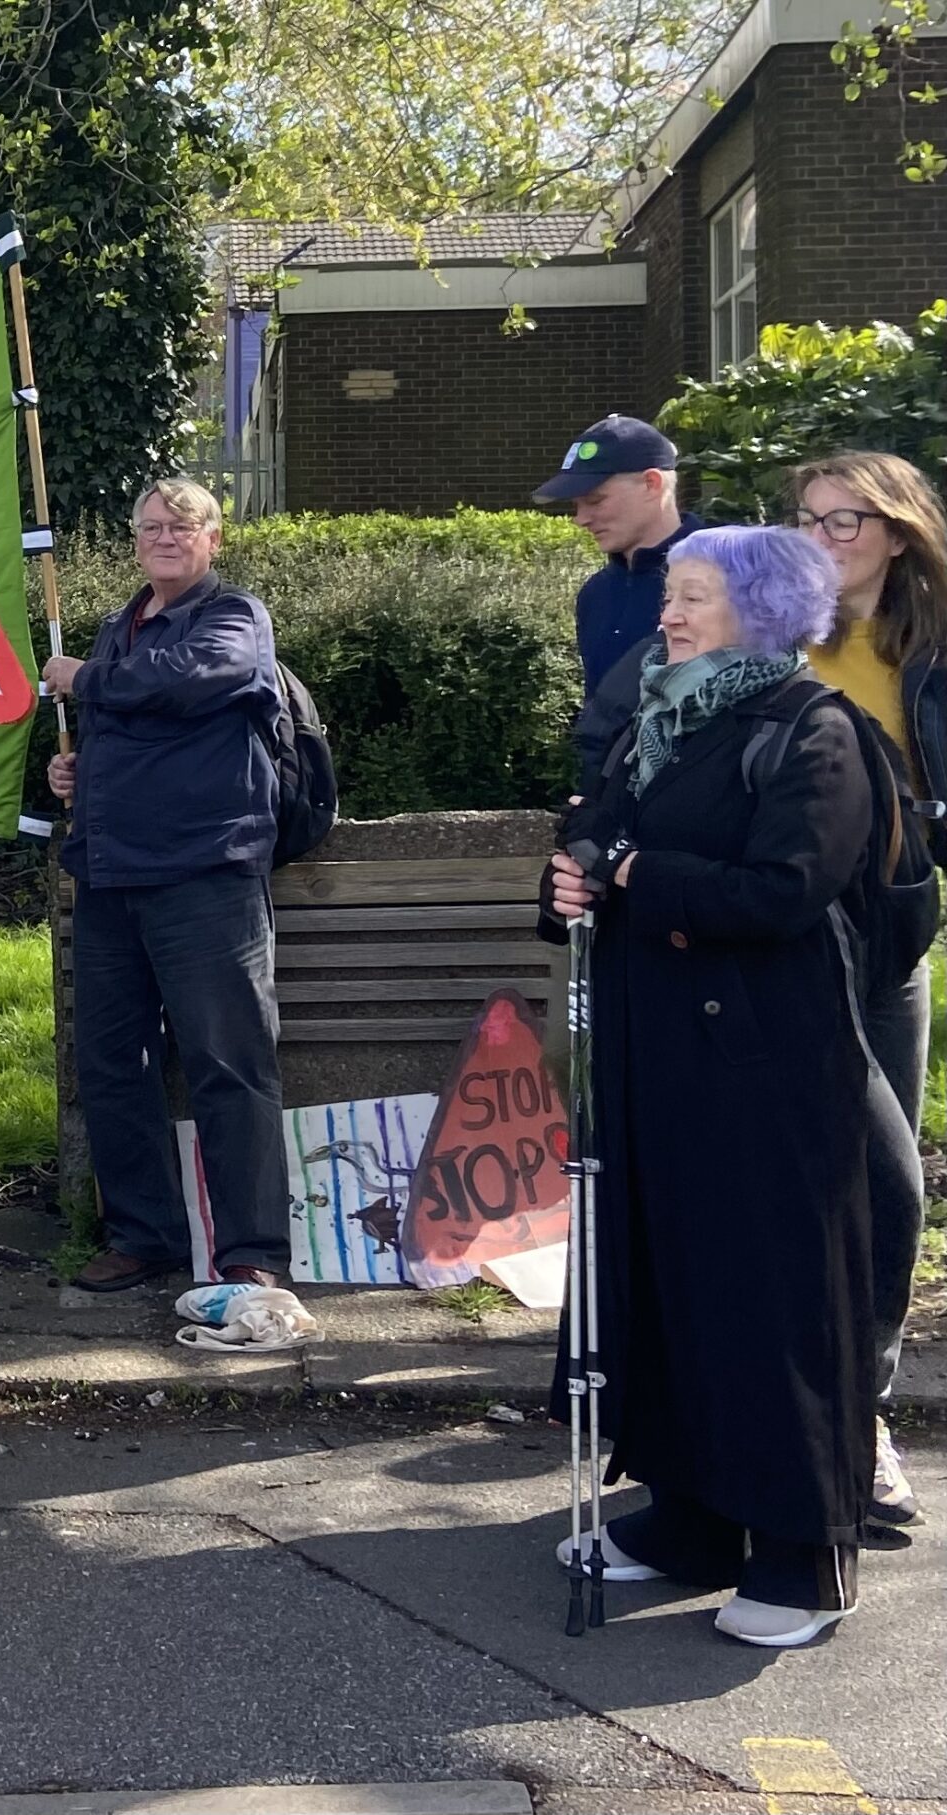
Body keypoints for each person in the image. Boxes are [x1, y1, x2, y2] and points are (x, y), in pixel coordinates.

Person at [544, 523, 876, 1648]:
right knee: (662, 1273)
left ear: (766, 610)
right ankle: (690, 1517)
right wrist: (573, 882)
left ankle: (798, 1551)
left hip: (761, 1064)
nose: (668, 616)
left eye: (691, 598)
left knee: (761, 1294)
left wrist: (638, 873)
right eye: (671, 594)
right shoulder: (659, 717)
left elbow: (783, 890)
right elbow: (597, 839)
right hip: (654, 1053)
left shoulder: (815, 730)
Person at [42, 478, 288, 1293]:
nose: (164, 537)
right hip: (111, 878)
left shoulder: (234, 619)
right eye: (150, 525)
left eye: (182, 526)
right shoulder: (123, 624)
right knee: (112, 1064)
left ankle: (252, 1252)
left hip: (204, 875)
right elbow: (129, 718)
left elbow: (180, 681)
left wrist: (85, 679)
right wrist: (78, 771)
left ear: (214, 539)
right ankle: (143, 1235)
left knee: (228, 1063)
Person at [792, 449, 947, 1532]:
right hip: (784, 935)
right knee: (797, 1181)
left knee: (886, 1186)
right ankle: (788, 1420)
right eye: (807, 519)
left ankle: (865, 1419)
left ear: (897, 532)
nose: (821, 539)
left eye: (845, 522)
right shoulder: (772, 631)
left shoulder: (930, 651)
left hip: (886, 932)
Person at [533, 416, 707, 786]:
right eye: (576, 504)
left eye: (595, 500)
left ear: (652, 483)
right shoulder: (595, 594)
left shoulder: (732, 572)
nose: (581, 519)